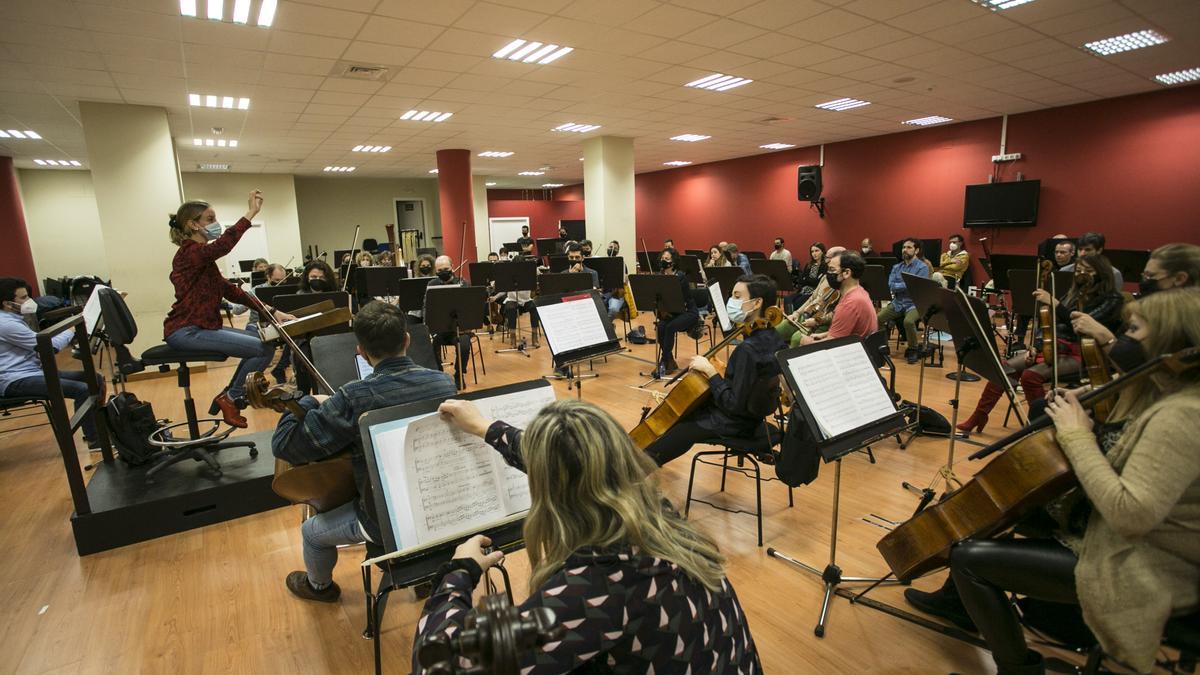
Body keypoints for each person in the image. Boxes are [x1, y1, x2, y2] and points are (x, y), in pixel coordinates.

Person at [942, 288, 1200, 675]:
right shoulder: (1161, 389)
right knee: (1001, 510)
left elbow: (1129, 515)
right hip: (1107, 530)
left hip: (1138, 559)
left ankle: (1017, 668)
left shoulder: (1182, 416)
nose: (1119, 338)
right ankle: (960, 605)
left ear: (1172, 343)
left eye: (1133, 330)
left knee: (967, 558)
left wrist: (1076, 432)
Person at [424, 398, 762, 674]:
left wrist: (459, 571)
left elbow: (438, 661)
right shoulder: (658, 514)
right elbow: (571, 460)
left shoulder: (596, 590)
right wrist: (486, 428)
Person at [273, 301, 456, 602]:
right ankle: (425, 575)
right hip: (438, 504)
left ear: (360, 350)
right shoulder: (444, 383)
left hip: (386, 520)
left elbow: (285, 445)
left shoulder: (354, 396)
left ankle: (320, 588)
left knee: (311, 533)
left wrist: (305, 401)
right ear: (407, 340)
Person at [162, 191, 295, 428]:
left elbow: (236, 293)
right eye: (210, 219)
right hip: (186, 331)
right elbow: (223, 246)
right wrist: (250, 213)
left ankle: (230, 396)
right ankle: (233, 397)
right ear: (193, 225)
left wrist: (273, 312)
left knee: (264, 343)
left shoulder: (204, 262)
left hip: (201, 328)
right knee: (259, 348)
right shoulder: (189, 253)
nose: (215, 225)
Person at [957, 254, 1123, 434]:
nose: (1082, 274)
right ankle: (980, 415)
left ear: (1101, 273)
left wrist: (1055, 303)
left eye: (1088, 270)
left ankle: (1037, 425)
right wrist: (1035, 345)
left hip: (1084, 353)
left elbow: (1080, 326)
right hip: (1054, 346)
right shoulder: (1074, 293)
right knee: (1003, 369)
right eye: (1079, 269)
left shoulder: (1112, 299)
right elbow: (1046, 322)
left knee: (1030, 376)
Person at [642, 274, 785, 466]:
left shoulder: (747, 349)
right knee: (687, 415)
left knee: (683, 423)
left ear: (756, 303)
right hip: (754, 417)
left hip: (734, 423)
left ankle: (634, 470)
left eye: (737, 296)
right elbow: (751, 382)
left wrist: (711, 372)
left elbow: (733, 404)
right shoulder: (775, 338)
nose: (731, 301)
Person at [0, 277, 103, 447]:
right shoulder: (5, 324)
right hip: (14, 380)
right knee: (82, 390)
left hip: (32, 372)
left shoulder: (13, 319)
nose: (29, 301)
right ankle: (95, 440)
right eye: (24, 297)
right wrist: (73, 328)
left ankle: (94, 429)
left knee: (94, 379)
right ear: (7, 304)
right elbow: (49, 346)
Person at [1069, 243, 1200, 362]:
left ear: (1179, 278)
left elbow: (1134, 362)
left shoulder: (1179, 318)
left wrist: (1103, 335)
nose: (1144, 281)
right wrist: (1085, 389)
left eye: (1150, 276)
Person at [799, 251, 877, 345]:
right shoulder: (860, 292)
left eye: (832, 270)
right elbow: (848, 330)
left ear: (847, 273)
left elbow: (832, 344)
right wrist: (824, 335)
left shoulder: (848, 304)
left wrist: (807, 342)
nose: (828, 273)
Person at [776, 246, 845, 347]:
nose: (827, 260)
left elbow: (836, 314)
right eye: (827, 257)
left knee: (796, 339)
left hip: (821, 322)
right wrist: (797, 313)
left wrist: (816, 321)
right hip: (808, 314)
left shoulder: (843, 284)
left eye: (829, 257)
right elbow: (812, 298)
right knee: (778, 330)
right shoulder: (825, 277)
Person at [876, 237, 930, 364]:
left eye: (909, 247)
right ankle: (883, 346)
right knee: (877, 318)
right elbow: (891, 285)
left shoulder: (923, 267)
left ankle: (913, 349)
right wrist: (905, 284)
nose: (905, 250)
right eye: (904, 247)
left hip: (915, 303)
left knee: (909, 321)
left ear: (916, 250)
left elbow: (916, 286)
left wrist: (900, 284)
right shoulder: (896, 267)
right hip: (898, 302)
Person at [424, 255, 472, 388]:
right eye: (439, 270)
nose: (443, 272)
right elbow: (426, 307)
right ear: (435, 271)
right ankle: (439, 374)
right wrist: (427, 327)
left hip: (459, 328)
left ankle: (459, 374)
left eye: (446, 268)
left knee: (464, 344)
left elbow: (470, 307)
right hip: (440, 328)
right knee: (430, 343)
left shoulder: (463, 283)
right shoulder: (432, 285)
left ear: (452, 267)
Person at [653, 249, 699, 377]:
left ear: (673, 262)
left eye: (667, 259)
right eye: (662, 258)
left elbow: (680, 301)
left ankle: (665, 360)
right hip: (672, 313)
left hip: (687, 312)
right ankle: (670, 360)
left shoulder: (680, 277)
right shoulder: (660, 276)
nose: (663, 261)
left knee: (670, 327)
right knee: (661, 327)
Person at [788, 241, 826, 309]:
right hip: (804, 290)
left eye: (816, 251)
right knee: (788, 299)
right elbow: (802, 280)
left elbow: (817, 282)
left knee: (797, 303)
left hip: (815, 292)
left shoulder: (825, 266)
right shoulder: (809, 265)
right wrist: (808, 280)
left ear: (822, 251)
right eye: (812, 251)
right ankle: (790, 317)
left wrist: (807, 279)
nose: (814, 253)